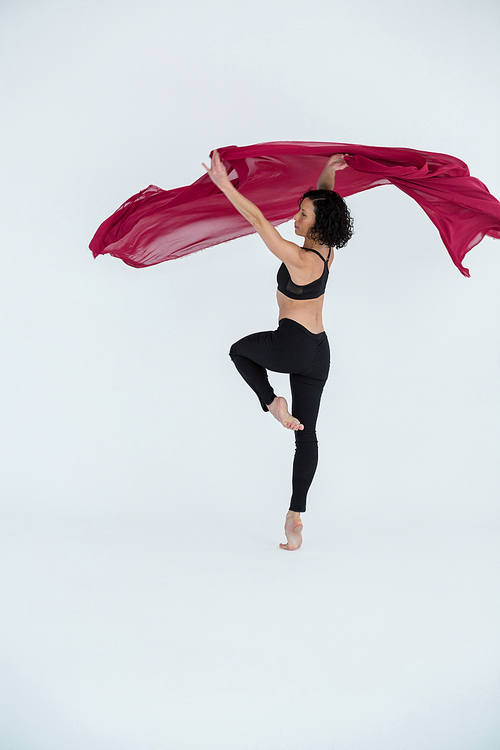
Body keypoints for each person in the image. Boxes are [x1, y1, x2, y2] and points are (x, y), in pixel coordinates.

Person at [203, 151, 353, 550]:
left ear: (317, 223)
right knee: (307, 436)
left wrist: (223, 184)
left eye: (304, 214)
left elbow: (257, 220)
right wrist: (327, 173)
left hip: (292, 346)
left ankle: (272, 403)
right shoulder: (324, 248)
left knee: (239, 351)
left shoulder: (301, 258)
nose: (297, 216)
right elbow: (324, 200)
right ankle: (295, 516)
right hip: (318, 351)